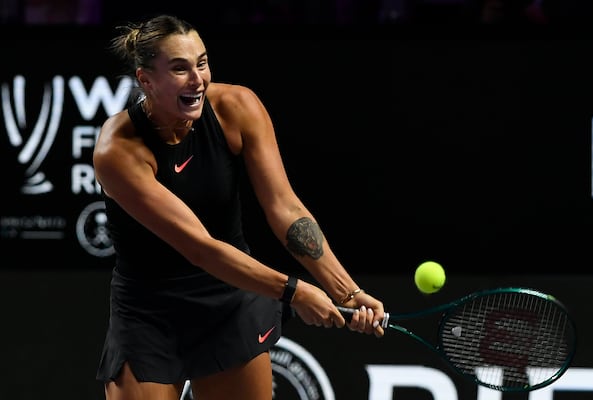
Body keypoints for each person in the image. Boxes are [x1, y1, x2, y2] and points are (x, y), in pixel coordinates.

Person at [93, 14, 386, 400]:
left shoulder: (238, 108)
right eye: (179, 69)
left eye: (202, 62)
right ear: (146, 80)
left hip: (231, 297)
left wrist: (346, 291)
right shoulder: (119, 151)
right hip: (150, 311)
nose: (197, 79)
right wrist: (295, 292)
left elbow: (284, 207)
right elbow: (201, 247)